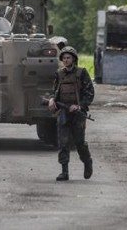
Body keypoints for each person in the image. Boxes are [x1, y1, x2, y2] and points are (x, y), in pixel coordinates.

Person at [48, 46, 95, 181]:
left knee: (79, 142)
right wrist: (52, 100)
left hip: (78, 113)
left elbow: (89, 93)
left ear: (73, 59)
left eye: (68, 57)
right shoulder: (59, 74)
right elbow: (55, 91)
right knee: (63, 142)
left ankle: (87, 161)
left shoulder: (82, 73)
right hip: (63, 112)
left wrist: (80, 106)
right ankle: (64, 171)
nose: (66, 60)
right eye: (64, 58)